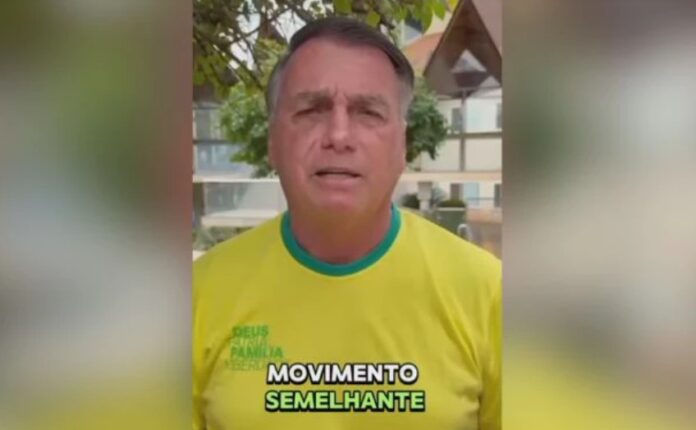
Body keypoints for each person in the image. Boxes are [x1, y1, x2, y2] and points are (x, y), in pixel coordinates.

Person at [193, 17, 501, 430]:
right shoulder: (197, 298)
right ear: (272, 141)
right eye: (311, 110)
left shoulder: (490, 295)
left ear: (402, 144)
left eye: (368, 112)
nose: (338, 135)